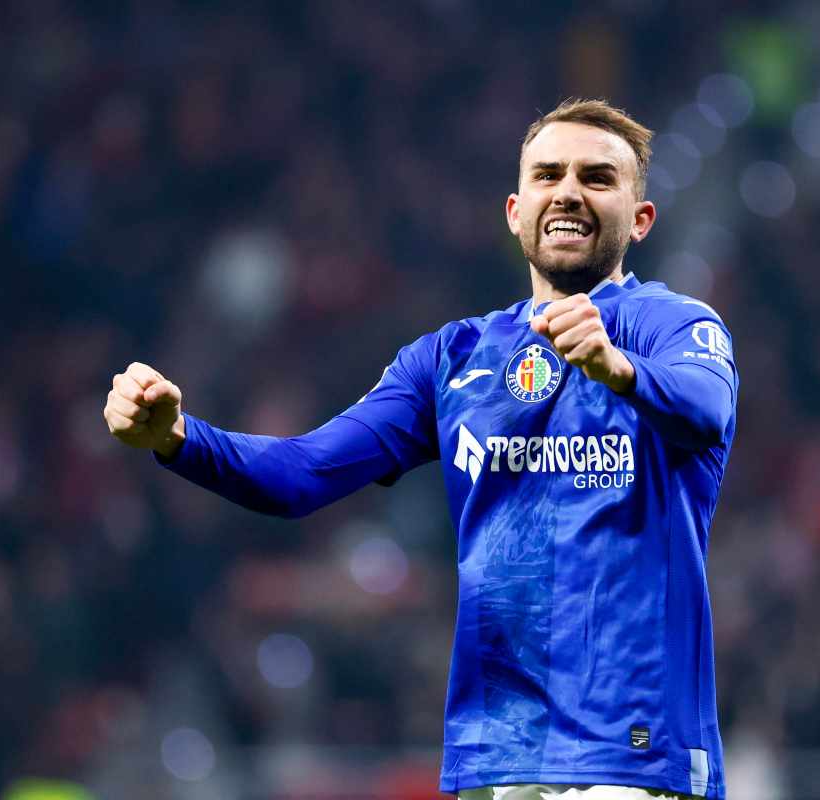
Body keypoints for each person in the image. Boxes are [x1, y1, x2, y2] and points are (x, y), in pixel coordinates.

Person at [103, 99, 738, 800]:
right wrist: (179, 438)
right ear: (514, 210)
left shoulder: (672, 326)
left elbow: (704, 409)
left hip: (631, 758)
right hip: (494, 759)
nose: (567, 192)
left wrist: (616, 369)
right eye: (547, 175)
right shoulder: (451, 359)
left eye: (596, 177)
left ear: (640, 219)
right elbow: (302, 474)